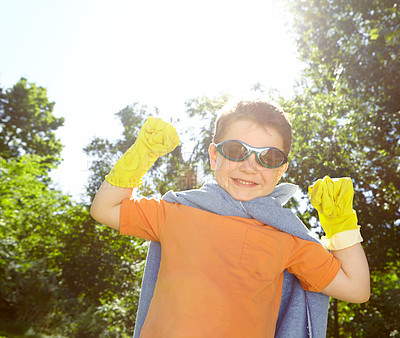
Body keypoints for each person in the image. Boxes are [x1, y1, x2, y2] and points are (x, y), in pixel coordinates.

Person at [90, 99, 370, 337]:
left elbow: (357, 289)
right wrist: (142, 154)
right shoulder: (176, 212)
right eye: (237, 151)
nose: (250, 167)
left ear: (281, 169)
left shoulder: (286, 239)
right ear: (214, 157)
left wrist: (340, 223)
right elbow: (104, 209)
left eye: (268, 158)